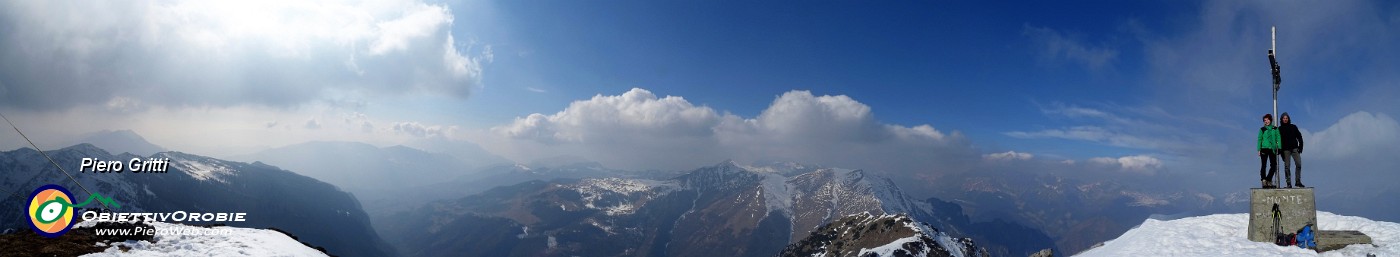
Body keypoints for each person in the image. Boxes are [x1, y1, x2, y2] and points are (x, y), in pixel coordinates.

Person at [1279, 112, 1304, 188]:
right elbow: (1279, 141)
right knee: (1287, 166)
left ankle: (1298, 181)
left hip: (1295, 148)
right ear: (1281, 119)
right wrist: (1281, 153)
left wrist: (1300, 147)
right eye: (1284, 118)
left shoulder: (1293, 127)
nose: (1285, 119)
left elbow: (1299, 136)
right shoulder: (1279, 129)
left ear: (1288, 119)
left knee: (1299, 164)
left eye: (1286, 118)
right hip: (1285, 150)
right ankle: (1288, 183)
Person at [1258, 114, 1281, 188]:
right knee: (1264, 165)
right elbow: (1259, 139)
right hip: (1264, 148)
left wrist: (1279, 147)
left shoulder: (1275, 128)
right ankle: (1264, 180)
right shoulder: (1262, 129)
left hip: (1272, 148)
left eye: (1267, 119)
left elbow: (1278, 137)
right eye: (1265, 120)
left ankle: (1268, 179)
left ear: (1270, 120)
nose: (1266, 121)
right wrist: (1258, 149)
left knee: (1274, 165)